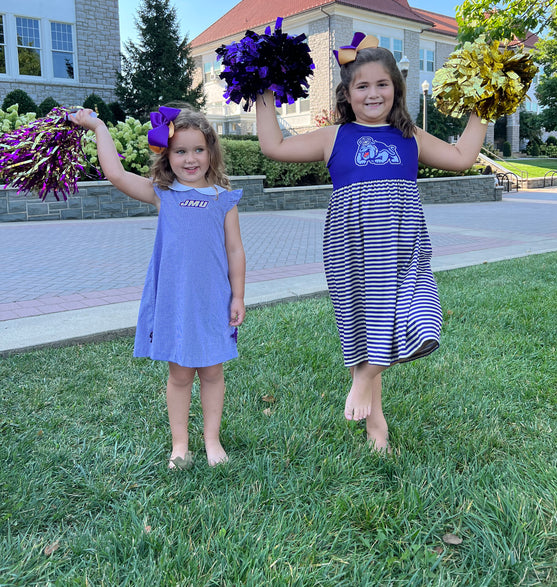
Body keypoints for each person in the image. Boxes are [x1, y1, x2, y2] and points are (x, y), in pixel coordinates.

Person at [255, 35, 487, 452]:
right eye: (362, 86)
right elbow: (273, 146)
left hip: (404, 249)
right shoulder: (333, 136)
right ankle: (375, 428)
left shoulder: (410, 135)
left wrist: (485, 105)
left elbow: (461, 157)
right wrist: (264, 91)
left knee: (425, 318)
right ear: (347, 93)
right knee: (364, 330)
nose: (373, 93)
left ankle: (362, 380)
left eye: (382, 84)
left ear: (396, 88)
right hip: (352, 248)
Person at [70, 106, 246, 468]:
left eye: (198, 149)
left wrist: (239, 295)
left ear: (211, 150)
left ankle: (212, 440)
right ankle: (180, 444)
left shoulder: (223, 197)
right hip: (175, 301)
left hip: (213, 300)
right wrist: (98, 126)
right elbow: (116, 174)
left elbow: (234, 249)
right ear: (167, 155)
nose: (190, 158)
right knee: (180, 373)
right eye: (180, 151)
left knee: (213, 371)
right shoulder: (162, 194)